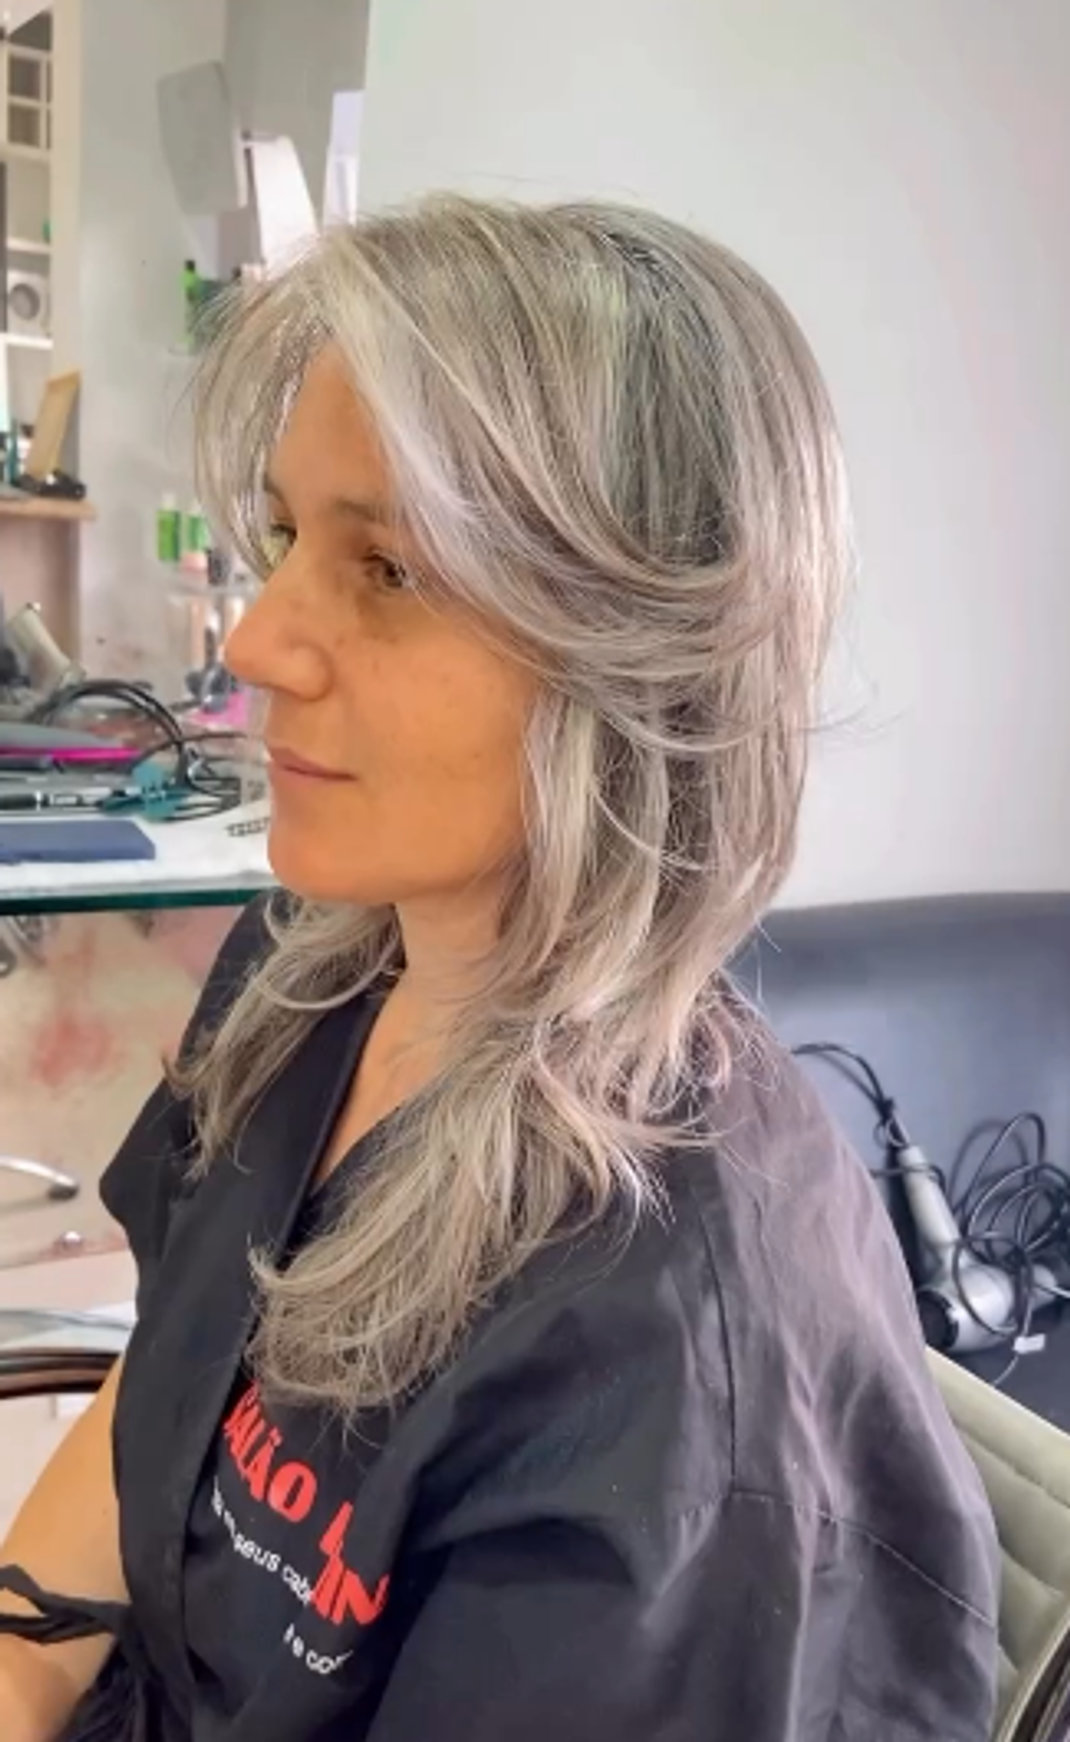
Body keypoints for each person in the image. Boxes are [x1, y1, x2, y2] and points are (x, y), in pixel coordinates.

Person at [0, 197, 997, 1741]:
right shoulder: (311, 967)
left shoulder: (660, 1375)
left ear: (637, 662)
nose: (257, 642)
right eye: (287, 537)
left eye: (390, 569)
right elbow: (168, 1399)